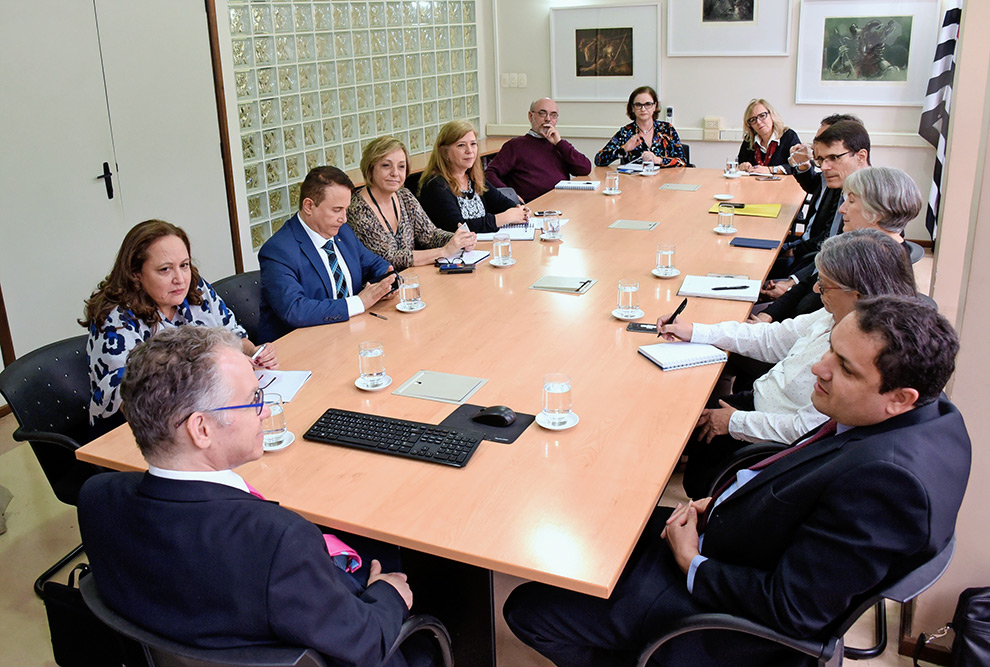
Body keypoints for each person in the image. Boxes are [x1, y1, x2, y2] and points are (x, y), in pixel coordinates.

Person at [505, 296, 970, 667]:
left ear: (899, 398)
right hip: (738, 531)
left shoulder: (889, 484)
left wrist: (690, 562)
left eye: (845, 367)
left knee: (529, 609)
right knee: (605, 517)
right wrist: (729, 496)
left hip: (723, 612)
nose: (818, 368)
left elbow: (794, 610)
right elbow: (811, 480)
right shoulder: (932, 416)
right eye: (830, 348)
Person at [77, 326, 431, 667]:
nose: (266, 410)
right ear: (201, 429)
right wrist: (389, 595)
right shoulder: (278, 542)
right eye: (252, 400)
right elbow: (364, 642)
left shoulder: (97, 498)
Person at [660, 230, 919, 499]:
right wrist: (695, 331)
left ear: (856, 294)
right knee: (676, 417)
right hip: (760, 405)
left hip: (768, 435)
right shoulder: (836, 314)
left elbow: (806, 430)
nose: (816, 290)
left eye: (825, 284)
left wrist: (734, 421)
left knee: (673, 431)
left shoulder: (863, 357)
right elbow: (772, 338)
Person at [82, 219, 277, 431]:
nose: (180, 279)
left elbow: (231, 333)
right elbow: (131, 399)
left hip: (203, 407)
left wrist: (254, 352)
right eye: (165, 270)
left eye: (184, 265)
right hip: (139, 430)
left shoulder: (195, 288)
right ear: (136, 274)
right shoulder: (115, 320)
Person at [756, 162, 920, 325]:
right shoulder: (860, 248)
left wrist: (765, 327)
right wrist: (768, 315)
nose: (842, 209)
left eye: (852, 201)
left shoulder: (873, 264)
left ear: (877, 212)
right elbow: (811, 282)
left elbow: (818, 326)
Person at [258, 166, 396, 342]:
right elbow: (295, 310)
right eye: (337, 210)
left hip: (348, 335)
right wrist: (360, 302)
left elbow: (374, 263)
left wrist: (387, 281)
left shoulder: (342, 232)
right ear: (309, 206)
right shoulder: (278, 251)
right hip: (300, 348)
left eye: (346, 209)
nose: (344, 218)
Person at [762, 120, 871, 304]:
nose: (825, 166)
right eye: (820, 159)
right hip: (810, 279)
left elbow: (828, 258)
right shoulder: (845, 186)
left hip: (816, 289)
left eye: (833, 157)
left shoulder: (867, 204)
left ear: (860, 156)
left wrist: (791, 284)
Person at [348, 136, 476, 271]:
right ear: (370, 168)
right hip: (381, 286)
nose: (395, 173)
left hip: (412, 278)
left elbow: (430, 235)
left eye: (401, 166)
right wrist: (443, 252)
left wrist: (459, 239)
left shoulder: (404, 196)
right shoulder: (357, 209)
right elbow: (389, 258)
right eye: (386, 166)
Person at [418, 120, 530, 233]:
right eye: (461, 145)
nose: (470, 151)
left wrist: (520, 210)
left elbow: (503, 203)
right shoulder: (435, 185)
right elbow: (459, 227)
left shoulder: (473, 178)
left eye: (473, 144)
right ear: (444, 152)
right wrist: (505, 218)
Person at [484, 97, 592, 202]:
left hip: (562, 203)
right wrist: (510, 196)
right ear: (531, 116)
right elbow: (489, 173)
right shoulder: (515, 145)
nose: (548, 119)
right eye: (542, 113)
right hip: (534, 208)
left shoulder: (558, 145)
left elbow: (584, 168)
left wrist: (559, 143)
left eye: (553, 115)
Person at [594, 86, 686, 167]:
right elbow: (599, 160)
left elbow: (682, 161)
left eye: (648, 104)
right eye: (638, 105)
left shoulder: (667, 129)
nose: (643, 109)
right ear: (632, 108)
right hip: (635, 183)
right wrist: (624, 149)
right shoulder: (626, 132)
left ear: (655, 106)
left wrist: (658, 160)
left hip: (665, 182)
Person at [735, 99, 801, 176]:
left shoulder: (788, 136)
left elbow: (799, 166)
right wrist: (743, 166)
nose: (758, 122)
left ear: (771, 115)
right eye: (753, 120)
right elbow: (740, 163)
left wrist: (771, 170)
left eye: (762, 116)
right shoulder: (749, 140)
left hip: (782, 186)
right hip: (753, 185)